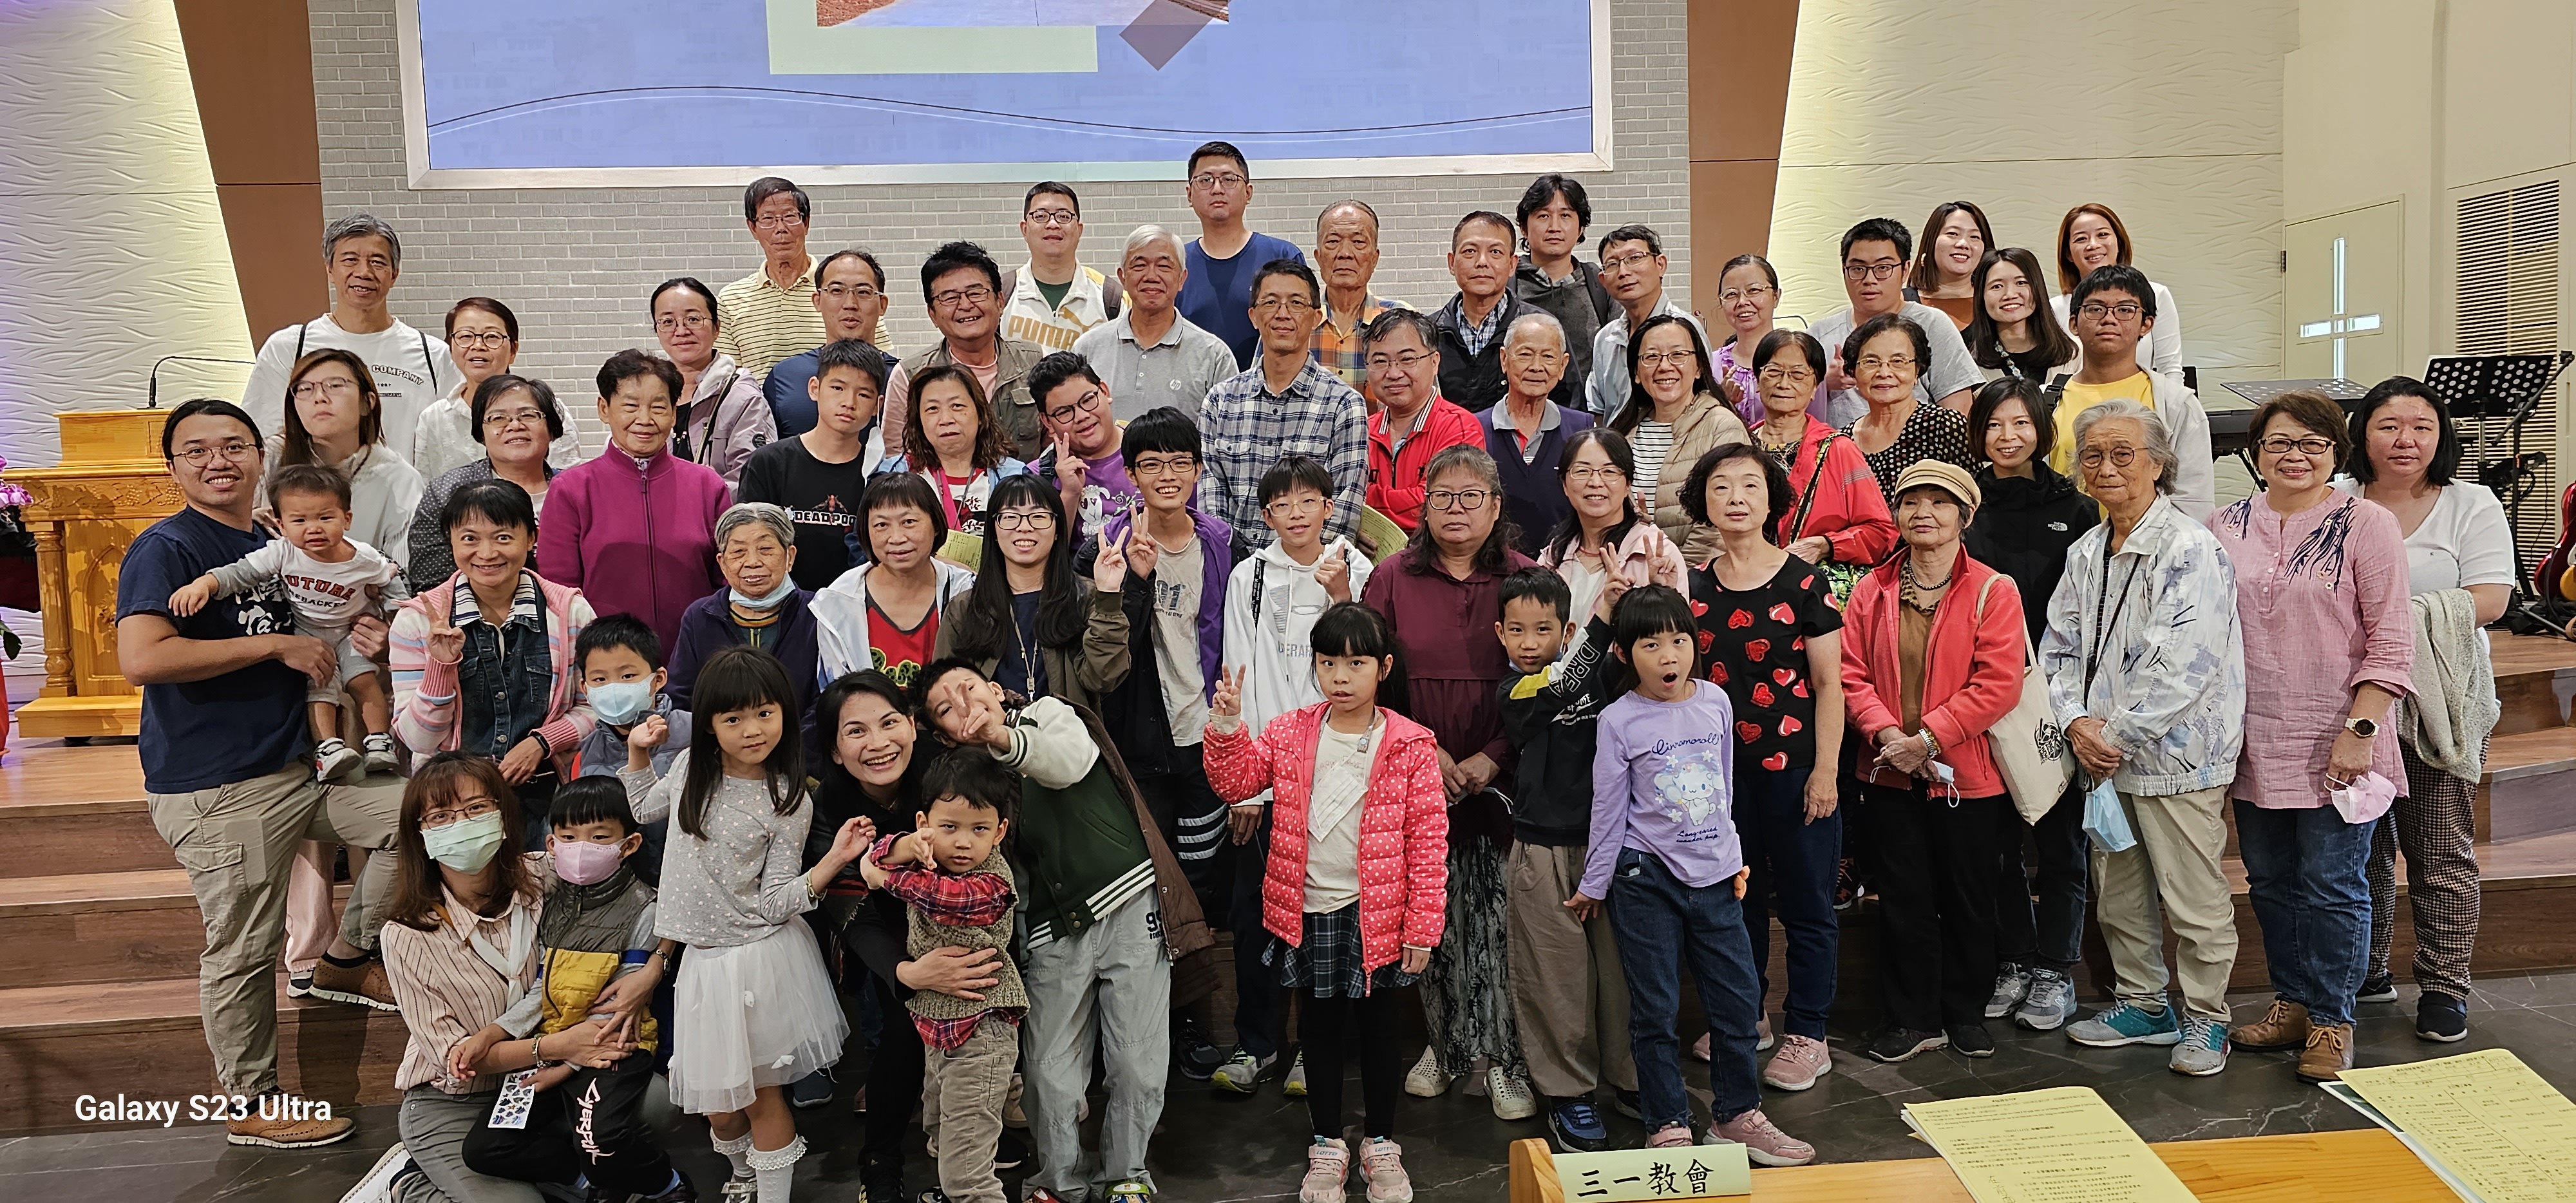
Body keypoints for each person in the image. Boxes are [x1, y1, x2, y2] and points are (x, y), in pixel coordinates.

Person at [115, 397, 404, 1147]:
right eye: (198, 449)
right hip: (221, 784)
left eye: (234, 445)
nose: (218, 460)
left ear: (259, 455)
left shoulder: (278, 536)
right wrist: (275, 646)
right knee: (245, 944)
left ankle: (343, 958)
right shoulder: (168, 546)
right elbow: (142, 657)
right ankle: (250, 1100)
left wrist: (364, 629)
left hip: (303, 765)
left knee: (421, 817)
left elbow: (333, 609)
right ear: (173, 465)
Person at [913, 658, 1212, 1203]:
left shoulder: (1048, 713)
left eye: (968, 689)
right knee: (1048, 1071)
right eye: (946, 709)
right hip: (1051, 927)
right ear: (944, 736)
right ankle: (1058, 1181)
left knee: (1137, 1061)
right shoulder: (968, 785)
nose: (964, 706)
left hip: (1129, 898)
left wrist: (1001, 736)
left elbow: (1069, 762)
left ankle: (1127, 1175)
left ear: (994, 689)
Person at [1202, 602, 1450, 1202]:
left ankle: (1382, 1144)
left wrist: (1423, 926)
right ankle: (1327, 1144)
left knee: (1381, 1031)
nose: (1340, 676)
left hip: (1379, 915)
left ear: (1383, 668)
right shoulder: (1289, 731)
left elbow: (1428, 839)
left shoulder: (1410, 743)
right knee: (1317, 1030)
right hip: (1310, 910)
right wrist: (1229, 726)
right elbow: (1237, 784)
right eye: (1328, 662)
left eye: (1356, 663)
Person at [620, 646, 876, 1203]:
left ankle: (772, 1195)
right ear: (710, 725)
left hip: (757, 960)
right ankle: (743, 1176)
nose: (753, 729)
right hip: (701, 962)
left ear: (785, 712)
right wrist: (638, 751)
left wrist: (833, 861)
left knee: (761, 1097)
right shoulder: (688, 768)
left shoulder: (786, 797)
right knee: (718, 1105)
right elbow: (641, 809)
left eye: (764, 713)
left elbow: (776, 901)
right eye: (733, 718)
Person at [2210, 392, 2414, 1084]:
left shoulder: (2367, 523)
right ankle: (2292, 1002)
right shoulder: (2224, 525)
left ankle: (2332, 1018)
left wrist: (2361, 728)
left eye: (2312, 443)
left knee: (2332, 883)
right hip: (2252, 735)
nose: (2294, 455)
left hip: (2339, 733)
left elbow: (2391, 639)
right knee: (2270, 881)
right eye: (2279, 442)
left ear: (2336, 451)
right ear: (2256, 451)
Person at [1575, 585, 1814, 1166]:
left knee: (1738, 1003)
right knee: (1655, 1010)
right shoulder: (1618, 720)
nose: (1668, 656)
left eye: (1678, 641)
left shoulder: (1714, 702)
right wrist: (1594, 883)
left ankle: (1737, 1115)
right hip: (1646, 877)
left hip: (1716, 878)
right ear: (1625, 653)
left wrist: (1733, 858)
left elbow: (1724, 786)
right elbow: (1608, 809)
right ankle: (1666, 1122)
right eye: (1651, 645)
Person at [2043, 399, 2246, 1077]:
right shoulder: (2084, 551)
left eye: (2123, 453)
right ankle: (2143, 1004)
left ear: (2158, 464)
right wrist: (2074, 722)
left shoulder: (2190, 547)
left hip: (2176, 756)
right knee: (2119, 892)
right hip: (2100, 757)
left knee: (2193, 897)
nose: (2106, 467)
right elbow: (2057, 649)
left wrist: (2114, 735)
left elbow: (2185, 662)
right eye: (2092, 455)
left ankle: (2207, 1017)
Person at [1074, 407, 1257, 1079]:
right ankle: (1151, 1030)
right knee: (1154, 885)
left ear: (1199, 470)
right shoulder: (1107, 546)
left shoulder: (1226, 544)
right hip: (1140, 743)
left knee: (1200, 880)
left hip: (1207, 737)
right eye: (1151, 464)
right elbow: (1105, 654)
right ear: (1131, 474)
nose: (1167, 475)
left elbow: (1246, 642)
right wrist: (1137, 580)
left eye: (1180, 462)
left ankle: (1192, 1020)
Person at [1360, 444, 1536, 1119]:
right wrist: (1424, 748)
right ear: (1424, 506)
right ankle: (1447, 1045)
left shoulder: (1525, 575)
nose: (1456, 509)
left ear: (1496, 507)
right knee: (1431, 919)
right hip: (1416, 770)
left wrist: (1494, 755)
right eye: (1442, 496)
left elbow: (1544, 680)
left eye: (1471, 496)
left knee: (1499, 920)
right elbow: (1372, 675)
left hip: (1505, 776)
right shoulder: (1391, 577)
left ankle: (1504, 1059)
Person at [2338, 376, 2513, 1042]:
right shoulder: (2337, 500)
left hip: (2442, 699)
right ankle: (2367, 967)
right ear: (2362, 435)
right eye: (2388, 426)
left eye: (2421, 426)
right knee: (2360, 847)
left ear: (2441, 436)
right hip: (2352, 698)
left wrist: (2387, 621)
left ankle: (2444, 985)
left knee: (2439, 847)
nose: (2405, 440)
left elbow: (2491, 599)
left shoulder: (2470, 502)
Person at [377, 753, 634, 1203]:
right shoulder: (406, 934)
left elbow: (641, 902)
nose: (461, 824)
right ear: (420, 835)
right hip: (457, 1101)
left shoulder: (547, 874)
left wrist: (651, 968)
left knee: (654, 1103)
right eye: (441, 816)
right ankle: (412, 1185)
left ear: (502, 813)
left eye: (476, 808)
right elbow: (455, 1059)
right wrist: (559, 1046)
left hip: (546, 1084)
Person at [1839, 460, 2026, 1064]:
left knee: (1970, 897)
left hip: (1968, 777)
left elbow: (1998, 684)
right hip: (1888, 771)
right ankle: (1911, 1018)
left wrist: (1928, 740)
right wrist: (1890, 736)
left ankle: (1964, 1013)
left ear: (1965, 516)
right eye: (1911, 501)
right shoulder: (1871, 589)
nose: (1923, 513)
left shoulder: (1994, 590)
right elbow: (1850, 675)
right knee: (1903, 898)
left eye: (1940, 502)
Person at [1209, 456, 1375, 1094]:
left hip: (1339, 777)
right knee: (1255, 914)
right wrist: (1249, 787)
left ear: (1330, 507)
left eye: (1309, 501)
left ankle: (1316, 1050)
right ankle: (1257, 1045)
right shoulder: (1250, 575)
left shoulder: (1356, 568)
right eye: (1283, 504)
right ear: (1266, 515)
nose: (1297, 513)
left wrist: (1341, 595)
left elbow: (1366, 659)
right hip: (1269, 775)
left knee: (1328, 917)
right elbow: (1238, 670)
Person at [449, 776, 691, 1203]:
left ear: (630, 844)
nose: (582, 848)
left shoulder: (644, 907)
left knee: (601, 1142)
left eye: (599, 837)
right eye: (569, 837)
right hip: (555, 1042)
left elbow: (621, 1004)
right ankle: (593, 1183)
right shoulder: (554, 901)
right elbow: (541, 988)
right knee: (487, 1148)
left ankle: (668, 1186)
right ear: (551, 843)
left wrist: (568, 1065)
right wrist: (494, 1032)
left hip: (612, 1047)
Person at [1960, 378, 2100, 1032]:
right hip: (1980, 692)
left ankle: (2055, 968)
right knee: (1995, 845)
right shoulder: (1964, 504)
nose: (2007, 436)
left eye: (2020, 423)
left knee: (2059, 840)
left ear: (2042, 429)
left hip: (2055, 694)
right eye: (1994, 424)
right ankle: (2013, 959)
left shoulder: (2075, 507)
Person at [1495, 567, 1636, 1152]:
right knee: (1556, 977)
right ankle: (1569, 1093)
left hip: (1613, 847)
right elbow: (1559, 688)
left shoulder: (1604, 672)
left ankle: (1632, 1079)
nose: (1529, 642)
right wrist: (1602, 618)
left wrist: (1635, 600)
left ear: (1566, 630)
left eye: (1543, 630)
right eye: (1517, 630)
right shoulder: (1514, 691)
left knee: (1623, 975)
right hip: (1542, 852)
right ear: (1500, 634)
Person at [857, 750, 1024, 1203]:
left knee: (967, 1178)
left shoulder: (992, 882)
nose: (963, 843)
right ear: (924, 823)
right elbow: (880, 852)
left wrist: (882, 877)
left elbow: (947, 899)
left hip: (981, 1034)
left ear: (1000, 831)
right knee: (938, 1135)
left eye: (979, 829)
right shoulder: (924, 856)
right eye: (949, 827)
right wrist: (903, 848)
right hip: (937, 1032)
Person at [169, 463, 404, 781]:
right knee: (319, 686)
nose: (314, 529)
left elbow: (391, 583)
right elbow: (240, 573)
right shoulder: (282, 553)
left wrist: (397, 620)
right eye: (300, 521)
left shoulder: (364, 558)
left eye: (325, 518)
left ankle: (379, 743)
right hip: (308, 634)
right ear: (281, 524)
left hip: (352, 633)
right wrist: (203, 585)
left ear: (347, 519)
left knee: (363, 682)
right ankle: (329, 749)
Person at [392, 478, 599, 836]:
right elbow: (419, 741)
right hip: (454, 803)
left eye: (503, 537)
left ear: (531, 538)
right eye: (470, 539)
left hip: (549, 796)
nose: (486, 554)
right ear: (451, 541)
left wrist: (543, 742)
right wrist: (441, 665)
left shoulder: (571, 613)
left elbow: (596, 707)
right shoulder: (417, 621)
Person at [537, 350, 729, 655]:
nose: (645, 419)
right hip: (606, 662)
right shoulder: (572, 490)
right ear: (604, 409)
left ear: (674, 413)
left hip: (696, 657)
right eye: (630, 406)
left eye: (658, 407)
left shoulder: (708, 485)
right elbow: (559, 593)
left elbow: (726, 581)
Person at [244, 214, 448, 457]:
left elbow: (451, 438)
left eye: (377, 262)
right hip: (316, 482)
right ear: (330, 270)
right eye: (350, 260)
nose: (363, 272)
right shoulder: (288, 348)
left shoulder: (434, 355)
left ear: (394, 274)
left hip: (409, 482)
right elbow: (261, 438)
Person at [1197, 261, 1370, 542]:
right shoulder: (1220, 402)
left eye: (1296, 303)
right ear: (1253, 316)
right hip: (1231, 564)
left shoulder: (1344, 405)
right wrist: (1232, 560)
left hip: (1310, 565)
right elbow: (1210, 500)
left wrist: (1297, 564)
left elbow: (1343, 509)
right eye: (1270, 303)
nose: (1283, 313)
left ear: (1316, 317)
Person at [935, 473, 1133, 712]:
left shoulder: (1085, 598)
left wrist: (1109, 596)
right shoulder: (964, 609)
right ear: (994, 531)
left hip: (1069, 734)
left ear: (1057, 529)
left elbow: (1104, 678)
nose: (1024, 528)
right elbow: (945, 695)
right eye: (1010, 517)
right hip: (989, 735)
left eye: (1038, 517)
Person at [2047, 265, 2217, 519]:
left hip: (2149, 543)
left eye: (2125, 310)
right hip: (2063, 540)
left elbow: (2192, 503)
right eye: (2095, 309)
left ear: (2147, 324)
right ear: (2073, 323)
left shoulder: (2176, 404)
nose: (2109, 319)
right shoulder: (2046, 401)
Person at [1745, 330, 1895, 596]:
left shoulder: (1839, 449)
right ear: (1758, 380)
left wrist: (1825, 545)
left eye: (1798, 375)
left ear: (1815, 387)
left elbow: (1881, 533)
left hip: (1814, 592)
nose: (1784, 383)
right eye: (1774, 372)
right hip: (1744, 584)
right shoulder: (1738, 446)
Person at [737, 339, 894, 592]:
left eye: (864, 394)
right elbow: (748, 542)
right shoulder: (768, 464)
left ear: (878, 405)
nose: (849, 402)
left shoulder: (879, 474)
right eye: (838, 388)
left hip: (855, 605)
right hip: (782, 605)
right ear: (814, 388)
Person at [1607, 314, 1752, 564]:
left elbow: (1719, 527)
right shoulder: (1620, 432)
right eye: (1651, 357)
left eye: (1678, 355)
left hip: (1697, 578)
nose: (1665, 366)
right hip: (1627, 573)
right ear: (1637, 372)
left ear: (1699, 368)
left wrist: (1677, 576)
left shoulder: (1723, 428)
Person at [883, 241, 1048, 460]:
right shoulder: (910, 375)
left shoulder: (1036, 361)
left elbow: (1054, 444)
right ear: (932, 314)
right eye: (950, 297)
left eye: (976, 293)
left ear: (1000, 301)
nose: (965, 305)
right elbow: (896, 457)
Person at [1810, 218, 1983, 426]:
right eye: (1858, 269)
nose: (1869, 279)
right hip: (1834, 447)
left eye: (1883, 268)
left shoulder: (1932, 325)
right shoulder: (1820, 334)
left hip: (1918, 446)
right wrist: (1822, 384)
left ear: (1905, 270)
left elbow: (1958, 414)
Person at [269, 348, 427, 573]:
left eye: (335, 385)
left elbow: (403, 571)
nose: (319, 397)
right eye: (304, 389)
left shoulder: (399, 478)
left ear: (367, 402)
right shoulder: (270, 458)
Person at [669, 504, 826, 729]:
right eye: (738, 552)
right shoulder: (699, 617)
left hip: (802, 747)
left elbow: (827, 697)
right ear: (722, 564)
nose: (753, 562)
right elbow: (682, 698)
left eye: (765, 549)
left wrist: (795, 746)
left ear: (790, 557)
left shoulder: (818, 613)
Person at [408, 374, 567, 593]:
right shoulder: (446, 492)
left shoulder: (576, 490)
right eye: (498, 418)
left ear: (551, 429)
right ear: (481, 433)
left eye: (528, 415)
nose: (515, 425)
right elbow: (430, 581)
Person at [1537, 428, 1686, 661]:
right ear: (1564, 484)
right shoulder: (1552, 557)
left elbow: (1679, 645)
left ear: (1628, 484)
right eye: (1582, 471)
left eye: (1609, 472)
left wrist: (1661, 595)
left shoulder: (1656, 553)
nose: (1595, 482)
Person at [815, 473, 978, 685]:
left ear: (936, 525)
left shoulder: (967, 592)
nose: (897, 538)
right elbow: (836, 693)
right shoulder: (836, 603)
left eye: (909, 522)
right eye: (882, 525)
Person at [1072, 225, 1238, 424]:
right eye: (1139, 266)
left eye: (1164, 266)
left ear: (1182, 278)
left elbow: (1229, 431)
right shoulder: (1087, 349)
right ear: (1122, 277)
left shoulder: (1214, 356)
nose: (1151, 276)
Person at [410, 298, 583, 480]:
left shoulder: (548, 408)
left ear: (513, 350)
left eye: (492, 337)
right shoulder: (434, 418)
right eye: (465, 336)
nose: (478, 346)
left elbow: (568, 482)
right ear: (451, 349)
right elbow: (425, 485)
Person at [573, 613, 690, 884]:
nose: (614, 688)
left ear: (658, 679)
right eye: (599, 679)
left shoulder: (693, 733)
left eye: (628, 675)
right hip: (624, 887)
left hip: (688, 883)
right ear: (585, 688)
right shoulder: (589, 752)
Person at [1176, 140, 1309, 369]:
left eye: (1229, 179)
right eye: (1205, 180)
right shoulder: (1176, 263)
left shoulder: (1283, 256)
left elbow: (1304, 329)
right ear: (1189, 194)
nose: (1217, 189)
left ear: (1248, 192)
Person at [1482, 312, 1597, 556]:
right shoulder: (1474, 429)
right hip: (1491, 566)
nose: (1536, 367)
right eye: (1525, 355)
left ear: (1563, 366)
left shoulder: (1582, 429)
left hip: (1564, 564)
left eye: (1548, 357)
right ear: (1504, 359)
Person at [1431, 211, 1569, 411]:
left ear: (1512, 264)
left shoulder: (1542, 328)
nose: (1482, 262)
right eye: (1470, 251)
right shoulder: (1428, 333)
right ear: (1452, 263)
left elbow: (1568, 404)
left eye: (1495, 252)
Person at [878, 364, 1034, 542]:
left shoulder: (1014, 476)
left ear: (981, 413)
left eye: (957, 406)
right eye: (932, 409)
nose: (946, 420)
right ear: (918, 420)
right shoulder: (892, 475)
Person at [649, 276, 777, 491]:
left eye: (693, 319)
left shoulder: (741, 396)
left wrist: (695, 499)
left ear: (717, 327)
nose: (681, 331)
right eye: (668, 322)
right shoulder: (648, 393)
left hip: (718, 512)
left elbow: (751, 481)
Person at [1364, 308, 1486, 533]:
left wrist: (1364, 502)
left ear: (1435, 362)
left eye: (1407, 359)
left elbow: (1444, 507)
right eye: (1380, 361)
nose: (1393, 373)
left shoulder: (1460, 427)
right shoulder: (1361, 430)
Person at [1841, 313, 1978, 511]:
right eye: (1871, 362)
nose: (1884, 372)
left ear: (1917, 371)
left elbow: (1973, 499)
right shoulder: (1842, 442)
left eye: (1898, 361)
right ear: (1854, 371)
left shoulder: (1945, 426)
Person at [762, 248, 900, 439]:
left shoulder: (902, 379)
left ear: (882, 304)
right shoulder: (785, 377)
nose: (850, 304)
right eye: (837, 291)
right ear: (817, 301)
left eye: (863, 292)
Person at [1582, 225, 1709, 418]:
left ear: (1661, 264)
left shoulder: (1686, 329)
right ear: (1603, 280)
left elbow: (1704, 399)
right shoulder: (1605, 339)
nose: (1623, 272)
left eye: (1635, 258)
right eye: (1612, 264)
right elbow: (1598, 410)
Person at [714, 176, 829, 381]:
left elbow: (874, 358)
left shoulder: (839, 290)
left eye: (790, 216)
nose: (780, 228)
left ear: (806, 223)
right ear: (753, 228)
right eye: (768, 219)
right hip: (757, 403)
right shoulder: (730, 300)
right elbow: (729, 379)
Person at [1511, 175, 1618, 394]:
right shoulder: (1506, 284)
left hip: (1589, 410)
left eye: (1565, 216)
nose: (1555, 227)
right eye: (1543, 216)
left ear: (1580, 228)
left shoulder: (1600, 283)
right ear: (1524, 227)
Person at [2049, 203, 2184, 376]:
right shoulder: (2054, 308)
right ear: (2068, 253)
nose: (2093, 245)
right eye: (2081, 239)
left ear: (2119, 243)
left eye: (2102, 235)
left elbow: (2170, 369)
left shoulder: (2156, 295)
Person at [1026, 351, 1142, 545]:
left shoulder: (1152, 452)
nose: (1082, 416)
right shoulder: (1038, 477)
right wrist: (1069, 493)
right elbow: (1042, 555)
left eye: (1088, 400)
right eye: (1064, 412)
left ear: (1105, 392)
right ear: (1047, 422)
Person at [1311, 199, 1414, 408]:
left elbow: (1427, 405)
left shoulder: (1402, 319)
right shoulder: (1292, 322)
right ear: (1318, 257)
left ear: (1374, 258)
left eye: (1358, 242)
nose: (1345, 253)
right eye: (1333, 242)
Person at [1001, 181, 1122, 353]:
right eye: (1041, 216)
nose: (1053, 224)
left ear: (1079, 230)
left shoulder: (1112, 298)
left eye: (1064, 216)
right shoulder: (1001, 295)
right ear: (1025, 229)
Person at [1710, 255, 1811, 427]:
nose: (1742, 302)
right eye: (1731, 294)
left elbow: (1815, 429)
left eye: (1754, 290)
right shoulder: (1710, 366)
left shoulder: (1802, 361)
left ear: (1776, 296)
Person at [1964, 248, 2079, 384]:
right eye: (1997, 286)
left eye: (2021, 283)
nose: (2010, 295)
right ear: (1981, 296)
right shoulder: (1968, 363)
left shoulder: (2075, 355)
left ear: (2037, 288)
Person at [1907, 200, 1996, 330]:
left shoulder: (1995, 302)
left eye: (1974, 237)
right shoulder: (1900, 303)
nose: (1963, 244)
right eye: (1953, 234)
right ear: (1931, 242)